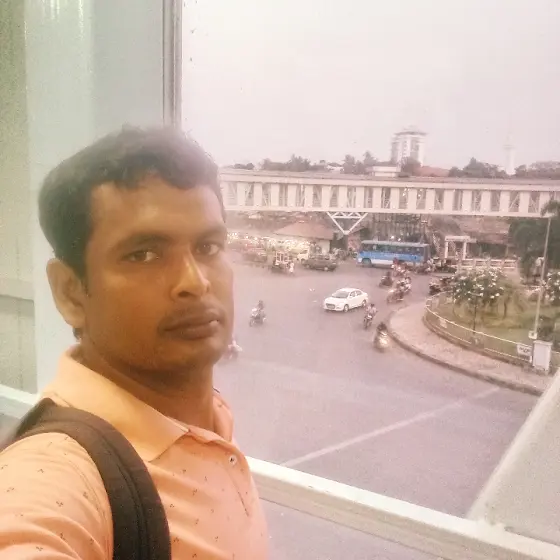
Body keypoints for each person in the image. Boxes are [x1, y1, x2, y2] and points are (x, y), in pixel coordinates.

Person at [0, 128, 268, 558]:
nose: (195, 282)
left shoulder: (211, 418)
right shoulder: (60, 472)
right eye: (143, 254)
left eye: (208, 246)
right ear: (70, 292)